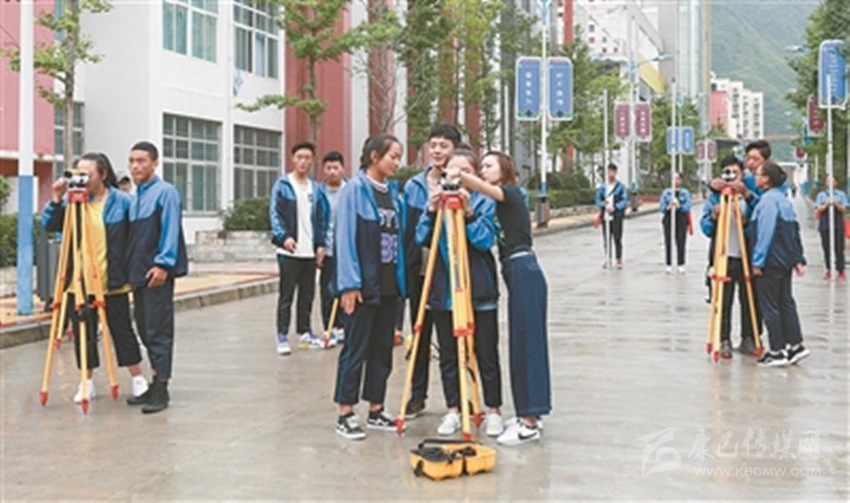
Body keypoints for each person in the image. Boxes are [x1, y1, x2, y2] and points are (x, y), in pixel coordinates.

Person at [449, 151, 551, 446]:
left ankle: (528, 423)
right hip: (516, 272)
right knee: (522, 345)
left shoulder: (511, 192)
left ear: (505, 169)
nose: (483, 170)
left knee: (527, 346)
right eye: (481, 166)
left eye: (488, 165)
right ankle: (529, 414)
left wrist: (459, 175)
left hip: (523, 270)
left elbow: (483, 187)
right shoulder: (501, 200)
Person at [41, 153, 148, 403]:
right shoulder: (72, 202)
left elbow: (137, 238)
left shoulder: (122, 201)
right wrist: (56, 198)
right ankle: (86, 382)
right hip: (78, 283)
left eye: (88, 174)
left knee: (122, 331)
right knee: (83, 335)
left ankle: (137, 379)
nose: (84, 180)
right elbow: (50, 225)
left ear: (103, 174)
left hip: (112, 280)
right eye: (79, 174)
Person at [416, 149, 503, 438]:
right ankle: (453, 409)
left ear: (474, 175)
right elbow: (420, 238)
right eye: (451, 172)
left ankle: (493, 410)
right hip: (445, 290)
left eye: (463, 171)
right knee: (449, 356)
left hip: (479, 291)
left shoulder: (485, 200)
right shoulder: (437, 200)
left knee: (486, 353)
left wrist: (467, 212)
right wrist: (431, 211)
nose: (456, 177)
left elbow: (484, 240)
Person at [333, 133, 406, 440]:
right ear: (375, 156)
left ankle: (376, 408)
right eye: (393, 156)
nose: (397, 162)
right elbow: (344, 238)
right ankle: (345, 412)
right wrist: (349, 284)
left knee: (381, 349)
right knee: (355, 348)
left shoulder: (394, 194)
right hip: (363, 286)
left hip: (389, 286)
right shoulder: (354, 190)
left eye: (399, 157)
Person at [401, 124, 461, 419]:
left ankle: (459, 399)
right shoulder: (414, 186)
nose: (437, 150)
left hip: (450, 274)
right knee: (419, 335)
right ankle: (417, 395)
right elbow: (407, 231)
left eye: (444, 145)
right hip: (420, 271)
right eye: (433, 144)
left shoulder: (462, 182)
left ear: (455, 150)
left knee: (453, 339)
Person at [126, 141, 188, 413]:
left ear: (154, 163)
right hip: (139, 274)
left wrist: (163, 264)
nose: (135, 166)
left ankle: (162, 387)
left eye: (141, 161)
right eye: (132, 161)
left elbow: (170, 229)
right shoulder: (135, 197)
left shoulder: (166, 192)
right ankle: (154, 383)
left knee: (159, 330)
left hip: (156, 274)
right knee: (145, 328)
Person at [269, 141, 330, 355]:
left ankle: (305, 332)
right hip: (289, 251)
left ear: (313, 161)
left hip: (309, 252)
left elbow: (322, 218)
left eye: (307, 158)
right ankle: (282, 336)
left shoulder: (317, 189)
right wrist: (284, 237)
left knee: (307, 295)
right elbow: (275, 214)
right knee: (286, 295)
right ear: (293, 159)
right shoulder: (282, 185)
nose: (303, 162)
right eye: (299, 157)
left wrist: (320, 245)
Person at [750, 161, 809, 368]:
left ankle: (776, 351)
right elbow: (793, 232)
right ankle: (795, 345)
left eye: (758, 174)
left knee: (770, 305)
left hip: (770, 261)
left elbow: (765, 233)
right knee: (785, 302)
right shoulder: (783, 200)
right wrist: (797, 259)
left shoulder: (767, 201)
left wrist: (758, 261)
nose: (755, 177)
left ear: (766, 179)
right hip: (784, 261)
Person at [700, 157, 754, 359]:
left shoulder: (748, 196)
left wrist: (745, 218)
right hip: (723, 256)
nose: (731, 178)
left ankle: (749, 337)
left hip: (745, 256)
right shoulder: (715, 199)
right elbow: (706, 228)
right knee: (724, 301)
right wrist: (714, 218)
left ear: (742, 175)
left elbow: (756, 223)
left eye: (735, 173)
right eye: (727, 173)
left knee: (748, 300)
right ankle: (724, 340)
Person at [317, 150, 348, 342]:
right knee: (327, 290)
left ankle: (344, 326)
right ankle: (329, 326)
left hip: (345, 249)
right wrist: (318, 245)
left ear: (343, 168)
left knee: (345, 287)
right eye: (328, 168)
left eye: (336, 167)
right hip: (327, 248)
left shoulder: (351, 190)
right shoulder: (319, 193)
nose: (332, 171)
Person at [814, 175, 847, 281]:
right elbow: (818, 209)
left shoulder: (841, 194)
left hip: (838, 224)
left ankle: (841, 270)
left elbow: (843, 209)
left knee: (839, 248)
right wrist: (826, 203)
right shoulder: (821, 195)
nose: (831, 182)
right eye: (828, 180)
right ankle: (829, 269)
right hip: (825, 224)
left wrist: (836, 203)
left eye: (833, 180)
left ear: (836, 182)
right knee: (826, 248)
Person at [595, 163, 628, 269]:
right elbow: (598, 199)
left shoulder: (620, 187)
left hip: (617, 216)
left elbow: (624, 200)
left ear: (616, 172)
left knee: (617, 237)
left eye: (613, 171)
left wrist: (616, 207)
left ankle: (618, 259)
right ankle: (607, 258)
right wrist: (602, 205)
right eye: (609, 171)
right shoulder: (603, 187)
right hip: (605, 217)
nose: (611, 174)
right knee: (606, 238)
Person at [660, 171, 693, 274]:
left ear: (681, 180)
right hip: (669, 218)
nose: (675, 181)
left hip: (681, 218)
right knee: (668, 241)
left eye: (678, 178)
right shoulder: (666, 192)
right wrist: (668, 207)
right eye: (674, 178)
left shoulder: (685, 193)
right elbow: (661, 207)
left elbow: (688, 206)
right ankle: (669, 263)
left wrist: (679, 206)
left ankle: (681, 264)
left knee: (681, 241)